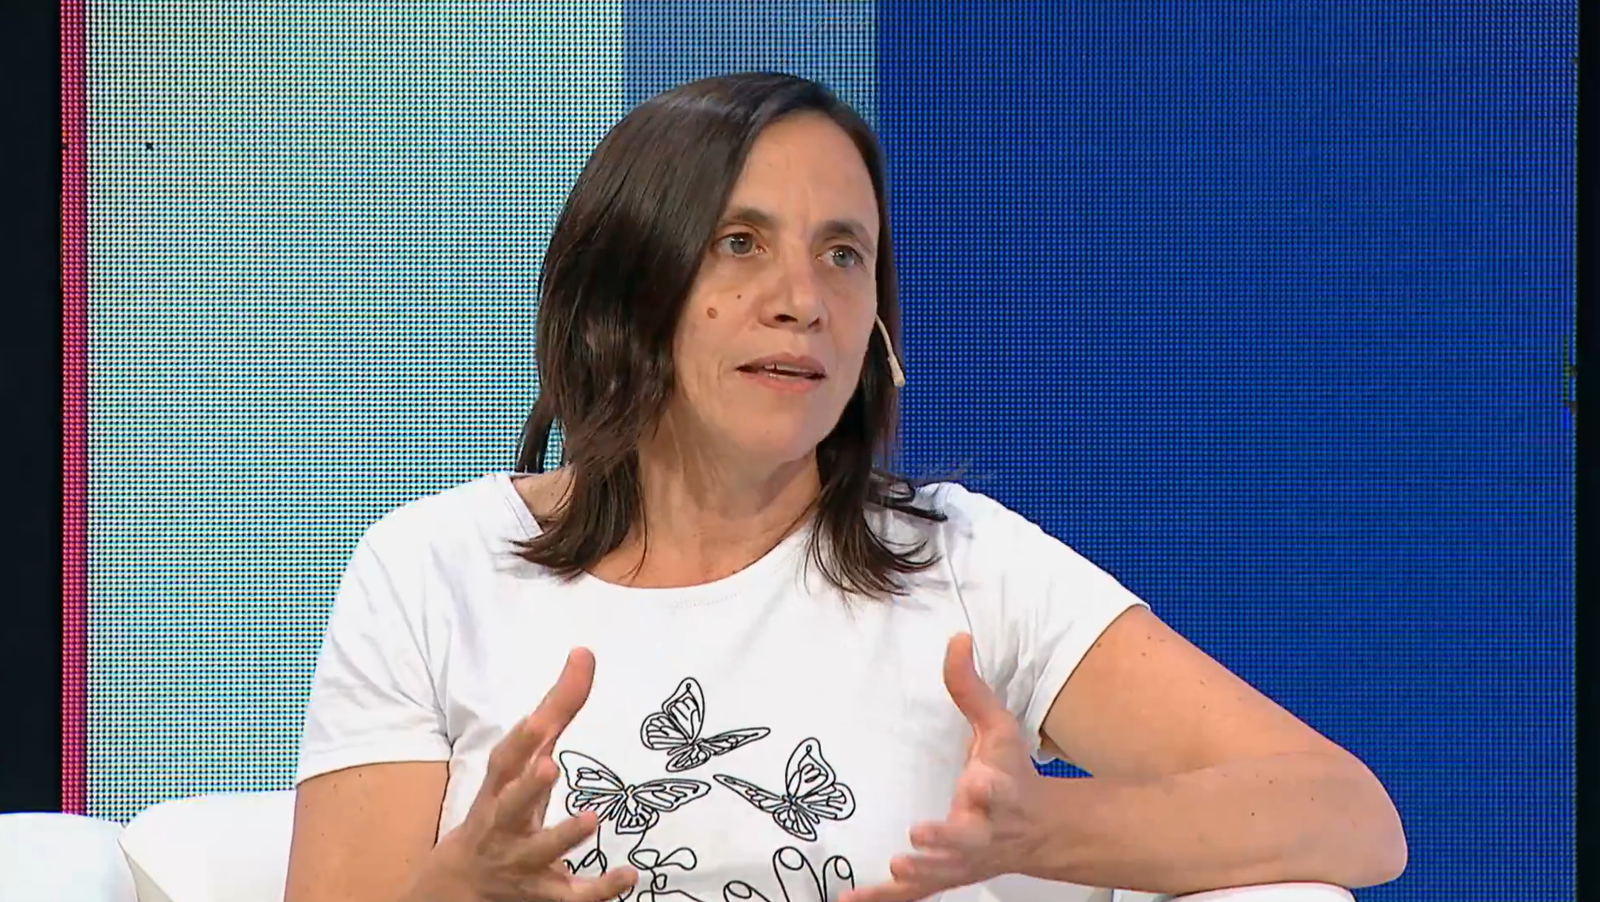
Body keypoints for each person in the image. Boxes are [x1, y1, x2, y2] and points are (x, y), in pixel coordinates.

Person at [284, 73, 1406, 902]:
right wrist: (460, 888)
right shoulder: (431, 566)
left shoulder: (960, 561)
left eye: (842, 253)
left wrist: (1039, 830)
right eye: (739, 242)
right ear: (627, 286)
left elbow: (1351, 816)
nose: (802, 299)